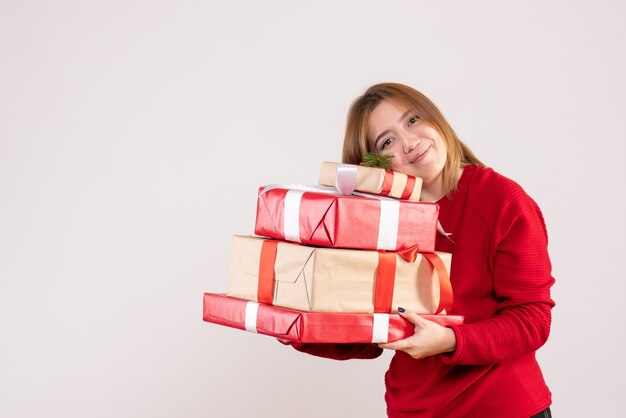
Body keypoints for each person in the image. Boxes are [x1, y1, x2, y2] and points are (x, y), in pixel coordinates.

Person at [284, 83, 555, 418]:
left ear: (435, 119)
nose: (408, 143)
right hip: (414, 409)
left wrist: (451, 340)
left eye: (412, 121)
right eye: (387, 141)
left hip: (501, 407)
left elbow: (532, 321)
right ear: (374, 163)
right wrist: (294, 325)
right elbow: (367, 333)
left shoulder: (502, 201)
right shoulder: (375, 222)